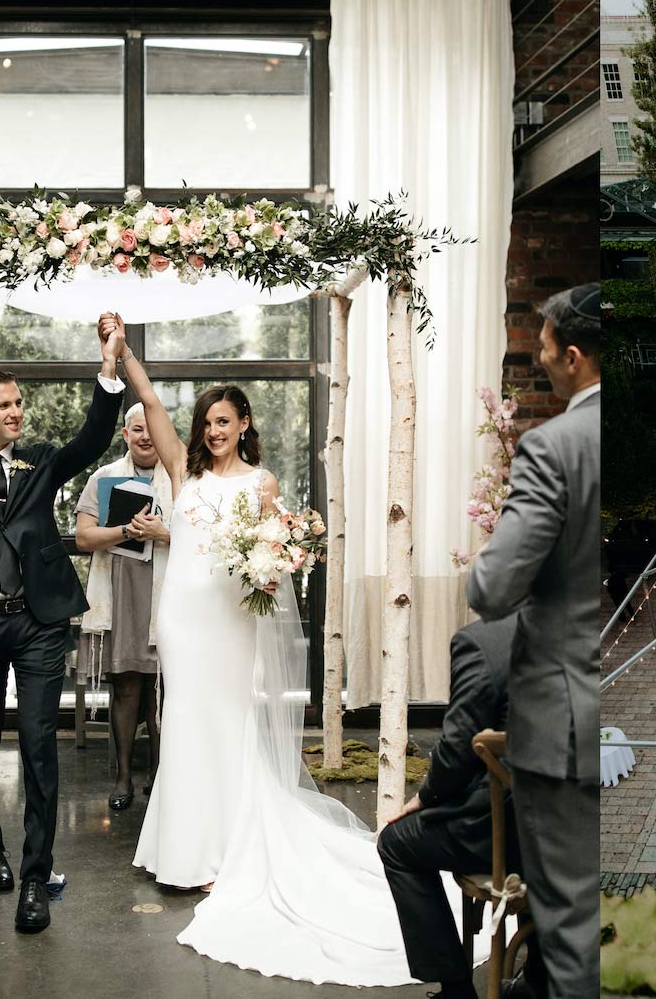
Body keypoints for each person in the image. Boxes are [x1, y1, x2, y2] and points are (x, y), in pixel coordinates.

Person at [109, 317, 456, 982]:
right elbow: (151, 405)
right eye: (207, 420)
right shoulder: (182, 470)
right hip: (183, 618)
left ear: (243, 424)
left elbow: (271, 559)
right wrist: (125, 356)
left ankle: (228, 857)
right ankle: (184, 851)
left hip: (230, 624)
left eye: (224, 421)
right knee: (183, 722)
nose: (213, 431)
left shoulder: (261, 483)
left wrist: (265, 568)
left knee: (227, 726)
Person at [0, 322, 125, 932]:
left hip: (40, 623)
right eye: (6, 405)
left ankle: (36, 878)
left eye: (19, 403)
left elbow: (92, 438)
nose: (18, 413)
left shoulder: (38, 464)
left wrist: (108, 369)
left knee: (39, 745)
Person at [466, 283, 600, 999]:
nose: (539, 355)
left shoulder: (554, 446)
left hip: (564, 726)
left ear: (574, 356)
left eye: (544, 346)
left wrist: (502, 540)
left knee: (572, 932)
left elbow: (491, 587)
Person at [378, 618, 540, 999]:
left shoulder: (486, 642)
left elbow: (455, 751)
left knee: (395, 843)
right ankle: (539, 973)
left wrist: (425, 798)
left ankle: (455, 991)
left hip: (512, 835)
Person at [75, 403, 171, 813]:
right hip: (121, 587)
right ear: (125, 434)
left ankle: (163, 776)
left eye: (152, 429)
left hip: (168, 588)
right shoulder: (103, 477)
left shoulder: (183, 477)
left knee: (164, 690)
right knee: (128, 685)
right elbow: (82, 538)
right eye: (137, 430)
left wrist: (161, 532)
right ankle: (123, 777)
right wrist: (125, 530)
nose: (145, 437)